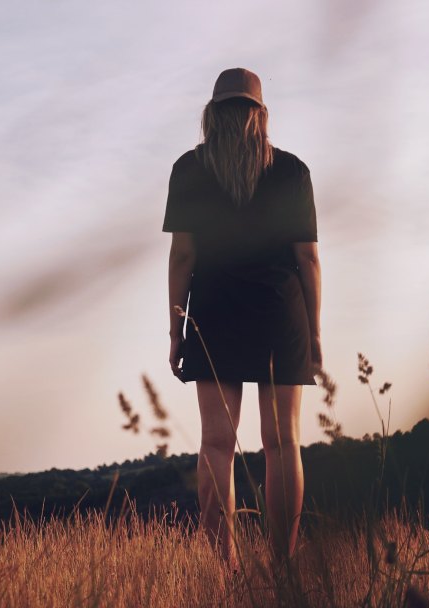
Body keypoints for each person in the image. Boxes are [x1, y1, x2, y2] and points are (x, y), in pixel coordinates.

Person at [163, 68, 322, 568]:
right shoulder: (292, 171)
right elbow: (309, 259)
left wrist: (176, 329)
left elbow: (182, 257)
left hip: (215, 310)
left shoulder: (189, 169)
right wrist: (314, 333)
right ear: (261, 114)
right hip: (280, 311)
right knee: (282, 444)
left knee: (215, 444)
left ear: (212, 114)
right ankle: (283, 568)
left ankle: (223, 569)